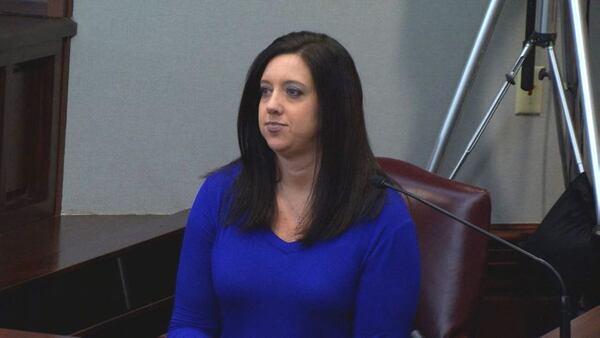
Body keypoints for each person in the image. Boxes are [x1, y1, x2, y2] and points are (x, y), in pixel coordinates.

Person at [168, 31, 420, 338]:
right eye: (264, 92)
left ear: (333, 107)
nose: (272, 105)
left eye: (293, 92)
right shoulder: (220, 193)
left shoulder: (383, 217)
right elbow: (190, 322)